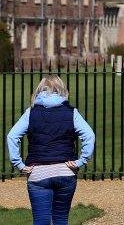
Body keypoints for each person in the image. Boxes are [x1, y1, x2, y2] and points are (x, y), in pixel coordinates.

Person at [6, 75, 95, 225]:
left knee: (41, 221)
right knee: (61, 220)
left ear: (39, 91)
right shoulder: (71, 112)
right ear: (62, 90)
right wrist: (81, 161)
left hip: (38, 173)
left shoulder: (31, 113)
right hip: (65, 172)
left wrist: (19, 165)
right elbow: (89, 135)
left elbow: (12, 136)